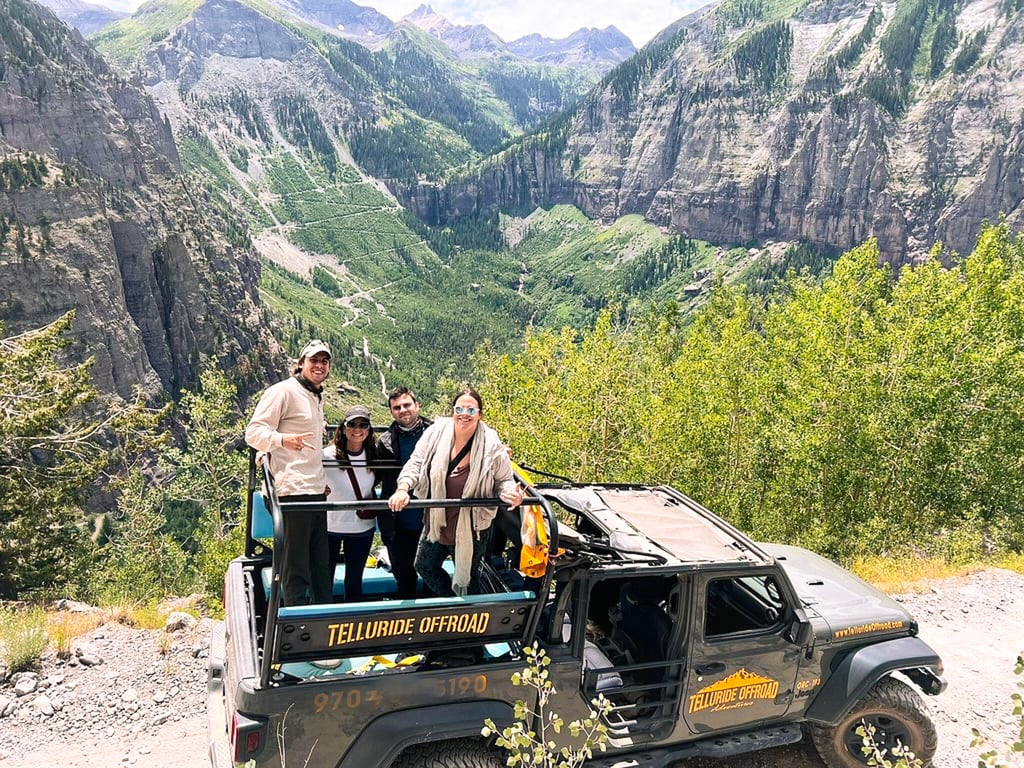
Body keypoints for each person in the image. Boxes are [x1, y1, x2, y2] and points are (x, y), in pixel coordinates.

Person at [388, 388, 525, 596]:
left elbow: (503, 480)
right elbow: (415, 463)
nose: (464, 414)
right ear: (453, 411)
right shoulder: (436, 433)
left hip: (472, 525)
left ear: (479, 414)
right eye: (459, 408)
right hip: (437, 519)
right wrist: (403, 488)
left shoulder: (491, 444)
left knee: (468, 579)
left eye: (471, 410)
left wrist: (510, 494)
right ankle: (452, 603)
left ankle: (474, 620)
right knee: (424, 566)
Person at [245, 340, 332, 606]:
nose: (319, 366)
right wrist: (282, 440)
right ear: (301, 362)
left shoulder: (315, 396)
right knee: (296, 567)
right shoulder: (282, 391)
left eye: (324, 361)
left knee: (320, 563)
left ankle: (324, 625)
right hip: (291, 492)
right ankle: (297, 631)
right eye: (313, 360)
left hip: (315, 491)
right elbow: (253, 433)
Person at [377, 386, 434, 599]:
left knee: (432, 575)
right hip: (398, 523)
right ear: (391, 412)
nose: (403, 410)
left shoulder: (437, 434)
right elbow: (373, 475)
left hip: (431, 521)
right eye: (397, 407)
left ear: (417, 406)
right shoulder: (385, 443)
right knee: (404, 577)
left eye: (407, 405)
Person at [323, 405, 378, 602]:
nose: (357, 429)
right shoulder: (327, 456)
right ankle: (324, 623)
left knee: (354, 579)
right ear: (343, 428)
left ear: (369, 429)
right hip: (330, 526)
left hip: (361, 527)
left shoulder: (375, 456)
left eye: (363, 424)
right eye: (352, 424)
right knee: (324, 579)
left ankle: (350, 626)